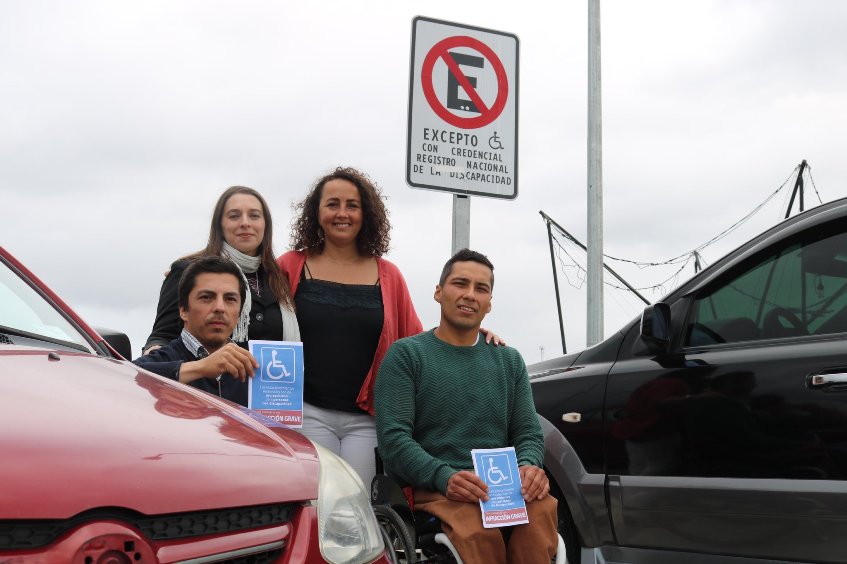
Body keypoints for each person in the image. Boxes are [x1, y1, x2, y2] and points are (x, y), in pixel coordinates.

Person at [375, 249, 558, 564]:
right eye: (460, 283)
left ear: (489, 304)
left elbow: (528, 431)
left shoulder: (509, 360)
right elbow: (394, 439)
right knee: (478, 531)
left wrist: (529, 466)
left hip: (502, 489)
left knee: (540, 514)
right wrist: (444, 477)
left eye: (481, 289)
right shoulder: (406, 356)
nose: (470, 295)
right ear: (439, 291)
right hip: (437, 489)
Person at [277, 167, 423, 485]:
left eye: (352, 205)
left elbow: (418, 344)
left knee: (359, 514)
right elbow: (247, 308)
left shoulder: (390, 275)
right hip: (305, 412)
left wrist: (473, 338)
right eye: (332, 204)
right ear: (316, 213)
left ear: (365, 213)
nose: (342, 213)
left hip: (368, 421)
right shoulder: (289, 266)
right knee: (315, 509)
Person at [143, 186, 299, 355]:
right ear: (220, 225)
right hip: (205, 380)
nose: (245, 223)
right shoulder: (187, 270)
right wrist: (156, 360)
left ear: (265, 225)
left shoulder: (279, 279)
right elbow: (162, 336)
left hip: (274, 380)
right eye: (234, 216)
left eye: (254, 215)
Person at [134, 256, 259, 405]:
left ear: (239, 314)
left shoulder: (256, 369)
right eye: (206, 297)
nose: (220, 307)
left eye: (230, 299)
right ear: (183, 310)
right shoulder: (160, 361)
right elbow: (126, 377)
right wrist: (200, 368)